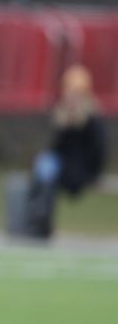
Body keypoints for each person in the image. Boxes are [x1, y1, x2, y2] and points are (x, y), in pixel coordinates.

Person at [25, 64, 107, 238]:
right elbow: (57, 148)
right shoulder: (63, 116)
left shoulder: (91, 119)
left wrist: (93, 175)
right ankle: (38, 218)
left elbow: (98, 151)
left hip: (79, 170)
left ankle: (39, 217)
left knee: (47, 169)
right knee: (44, 164)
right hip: (63, 167)